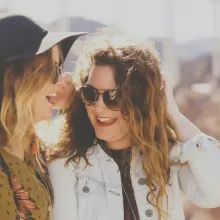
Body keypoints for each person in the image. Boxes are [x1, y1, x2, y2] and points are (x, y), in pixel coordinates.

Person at [48, 33, 220, 220]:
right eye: (90, 94)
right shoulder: (67, 161)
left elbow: (215, 193)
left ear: (139, 101)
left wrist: (174, 115)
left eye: (112, 96)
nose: (98, 106)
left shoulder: (166, 154)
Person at [0, 13, 85, 220]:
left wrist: (78, 104)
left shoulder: (34, 149)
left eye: (60, 69)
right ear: (18, 80)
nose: (60, 82)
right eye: (53, 71)